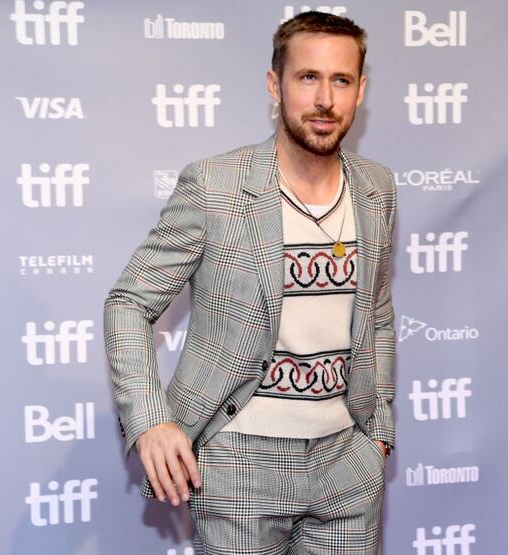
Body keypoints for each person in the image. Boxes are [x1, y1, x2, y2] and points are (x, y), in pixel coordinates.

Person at [104, 11, 396, 554]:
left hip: (347, 462)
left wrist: (377, 433)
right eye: (308, 77)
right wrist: (150, 421)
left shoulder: (377, 188)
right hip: (239, 458)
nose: (325, 100)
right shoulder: (215, 185)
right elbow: (128, 303)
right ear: (275, 84)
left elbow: (376, 312)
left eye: (341, 80)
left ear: (360, 91)